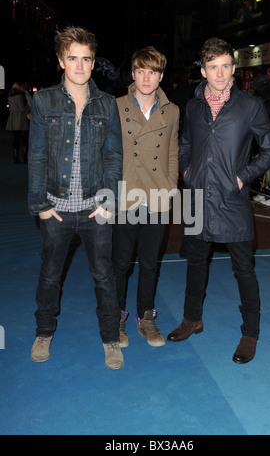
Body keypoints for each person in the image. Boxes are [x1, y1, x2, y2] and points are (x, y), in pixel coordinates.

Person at [167, 37, 270, 364]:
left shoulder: (251, 106)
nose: (220, 73)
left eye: (225, 66)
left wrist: (242, 176)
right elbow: (185, 143)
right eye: (213, 67)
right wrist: (187, 171)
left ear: (234, 68)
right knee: (194, 261)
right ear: (203, 69)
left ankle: (250, 332)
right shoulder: (192, 106)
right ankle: (193, 319)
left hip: (233, 199)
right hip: (197, 197)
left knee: (244, 268)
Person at [28, 26, 124, 370]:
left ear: (94, 62)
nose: (80, 66)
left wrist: (107, 202)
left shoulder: (108, 103)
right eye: (72, 58)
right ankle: (43, 331)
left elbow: (114, 156)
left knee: (105, 276)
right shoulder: (43, 101)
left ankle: (111, 338)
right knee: (50, 275)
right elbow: (36, 155)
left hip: (95, 209)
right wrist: (40, 205)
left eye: (86, 59)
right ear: (60, 61)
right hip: (56, 209)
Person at [113, 46, 179, 348]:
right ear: (133, 73)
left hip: (156, 196)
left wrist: (170, 186)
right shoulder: (116, 106)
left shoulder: (172, 111)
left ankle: (146, 316)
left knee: (151, 263)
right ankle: (116, 316)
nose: (146, 77)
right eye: (141, 71)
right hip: (126, 194)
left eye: (152, 71)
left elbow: (173, 152)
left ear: (161, 75)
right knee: (121, 263)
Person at [6, 82, 29, 163]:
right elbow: (22, 108)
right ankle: (24, 157)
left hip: (13, 119)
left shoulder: (10, 96)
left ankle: (15, 157)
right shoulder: (20, 96)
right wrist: (28, 108)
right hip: (20, 119)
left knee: (15, 139)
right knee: (24, 139)